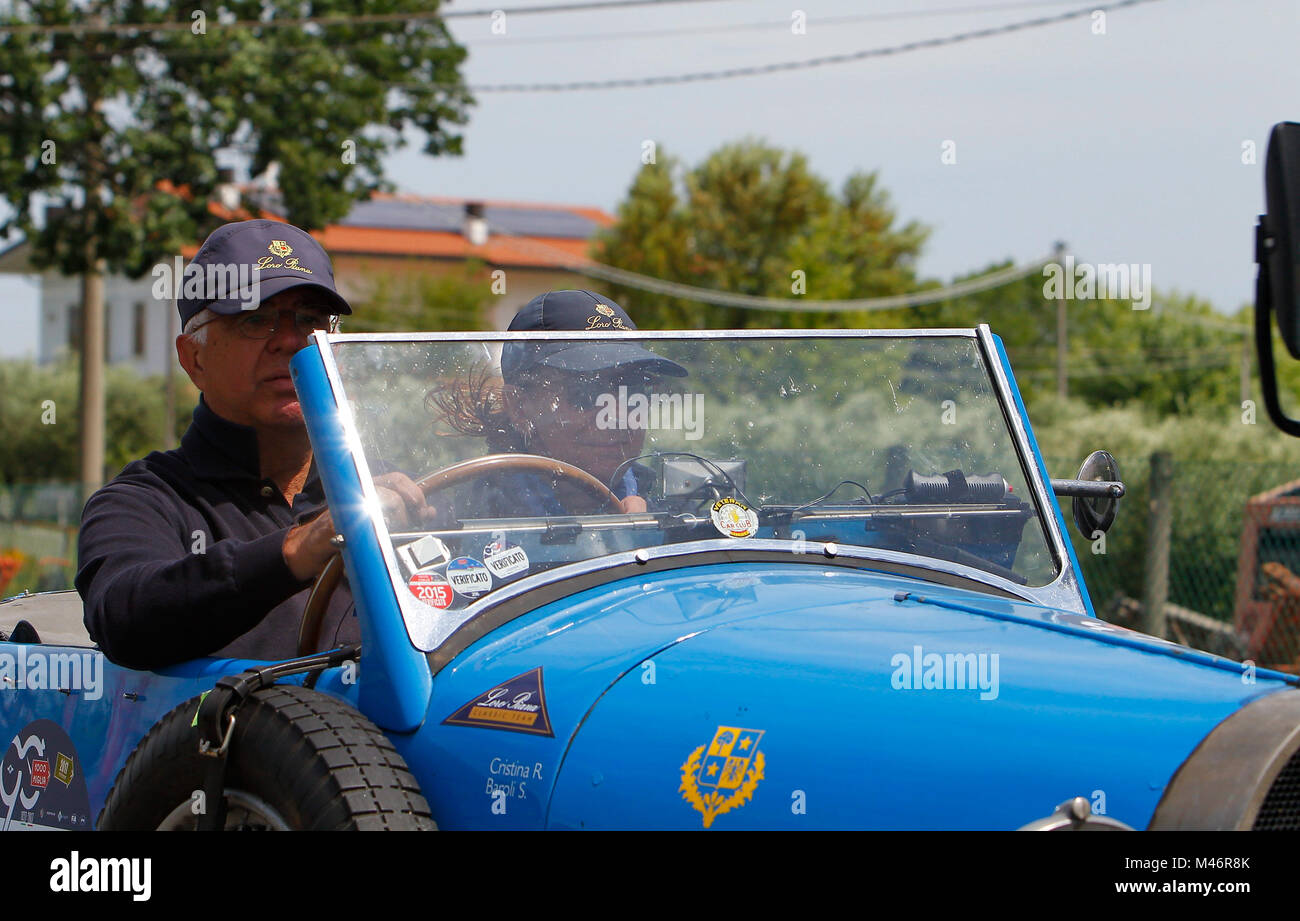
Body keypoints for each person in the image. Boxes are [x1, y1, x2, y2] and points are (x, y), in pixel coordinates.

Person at [76, 219, 432, 669]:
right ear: (194, 357)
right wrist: (296, 550)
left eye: (309, 319)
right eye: (255, 320)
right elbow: (124, 616)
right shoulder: (146, 500)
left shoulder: (389, 493)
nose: (288, 340)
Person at [437, 290, 687, 518]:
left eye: (634, 393)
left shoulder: (681, 519)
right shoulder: (458, 519)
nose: (616, 413)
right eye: (586, 393)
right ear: (519, 408)